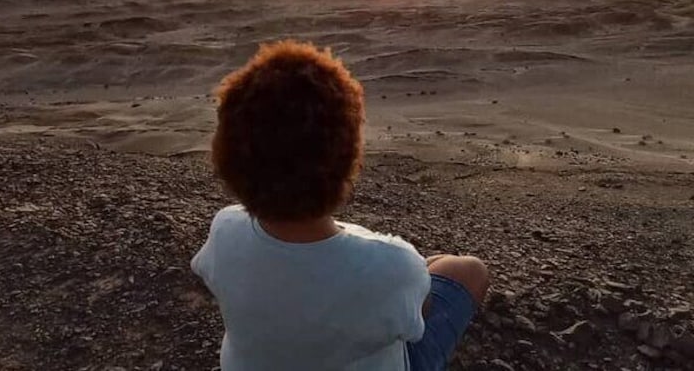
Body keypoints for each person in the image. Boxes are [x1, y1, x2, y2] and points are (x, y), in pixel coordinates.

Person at [191, 40, 489, 370]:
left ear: (229, 159)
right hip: (395, 297)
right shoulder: (391, 265)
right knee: (467, 269)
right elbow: (420, 314)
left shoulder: (224, 230)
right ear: (347, 160)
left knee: (420, 271)